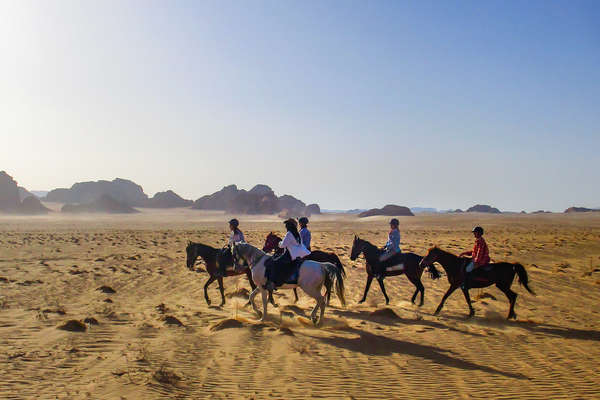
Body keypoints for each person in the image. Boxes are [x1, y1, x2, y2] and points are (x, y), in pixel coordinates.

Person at [265, 218, 310, 290]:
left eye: (286, 225)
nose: (286, 227)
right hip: (297, 254)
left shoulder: (289, 234)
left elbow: (282, 245)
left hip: (289, 255)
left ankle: (273, 283)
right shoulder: (297, 234)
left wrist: (279, 243)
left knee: (274, 262)